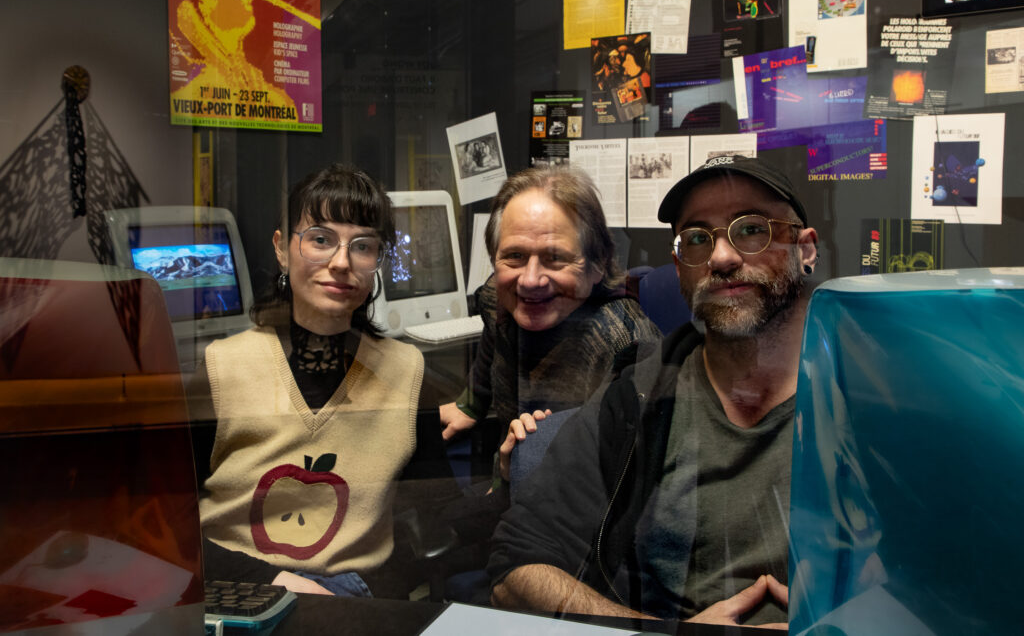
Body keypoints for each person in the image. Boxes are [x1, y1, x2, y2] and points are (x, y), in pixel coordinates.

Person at [488, 155, 820, 628]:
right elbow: (514, 563)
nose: (722, 258)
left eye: (750, 229)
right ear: (680, 266)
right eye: (698, 239)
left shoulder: (871, 396)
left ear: (805, 249)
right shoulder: (637, 398)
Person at [195, 164, 453, 598]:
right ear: (282, 248)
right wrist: (273, 583)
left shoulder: (407, 371)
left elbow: (437, 514)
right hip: (237, 588)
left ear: (378, 261)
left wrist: (504, 475)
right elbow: (164, 526)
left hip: (354, 599)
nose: (340, 262)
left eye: (363, 246)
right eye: (320, 239)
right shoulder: (222, 367)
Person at [439, 167, 661, 469]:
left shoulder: (625, 342)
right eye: (515, 256)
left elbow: (630, 475)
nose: (530, 281)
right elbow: (491, 348)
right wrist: (470, 404)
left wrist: (516, 474)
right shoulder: (497, 296)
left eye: (555, 257)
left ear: (597, 265)